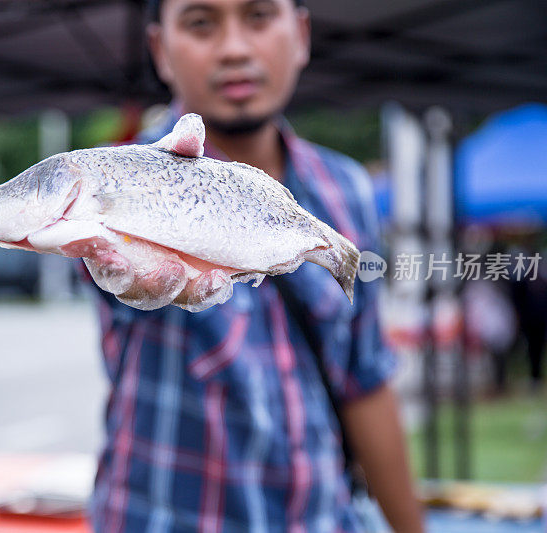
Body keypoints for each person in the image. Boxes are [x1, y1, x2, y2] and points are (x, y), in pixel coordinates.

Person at [81, 0, 424, 530]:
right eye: (200, 23)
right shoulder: (116, 183)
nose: (235, 48)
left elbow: (365, 379)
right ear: (160, 50)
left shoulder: (345, 190)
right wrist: (126, 269)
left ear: (301, 34)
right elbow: (106, 273)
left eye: (259, 16)